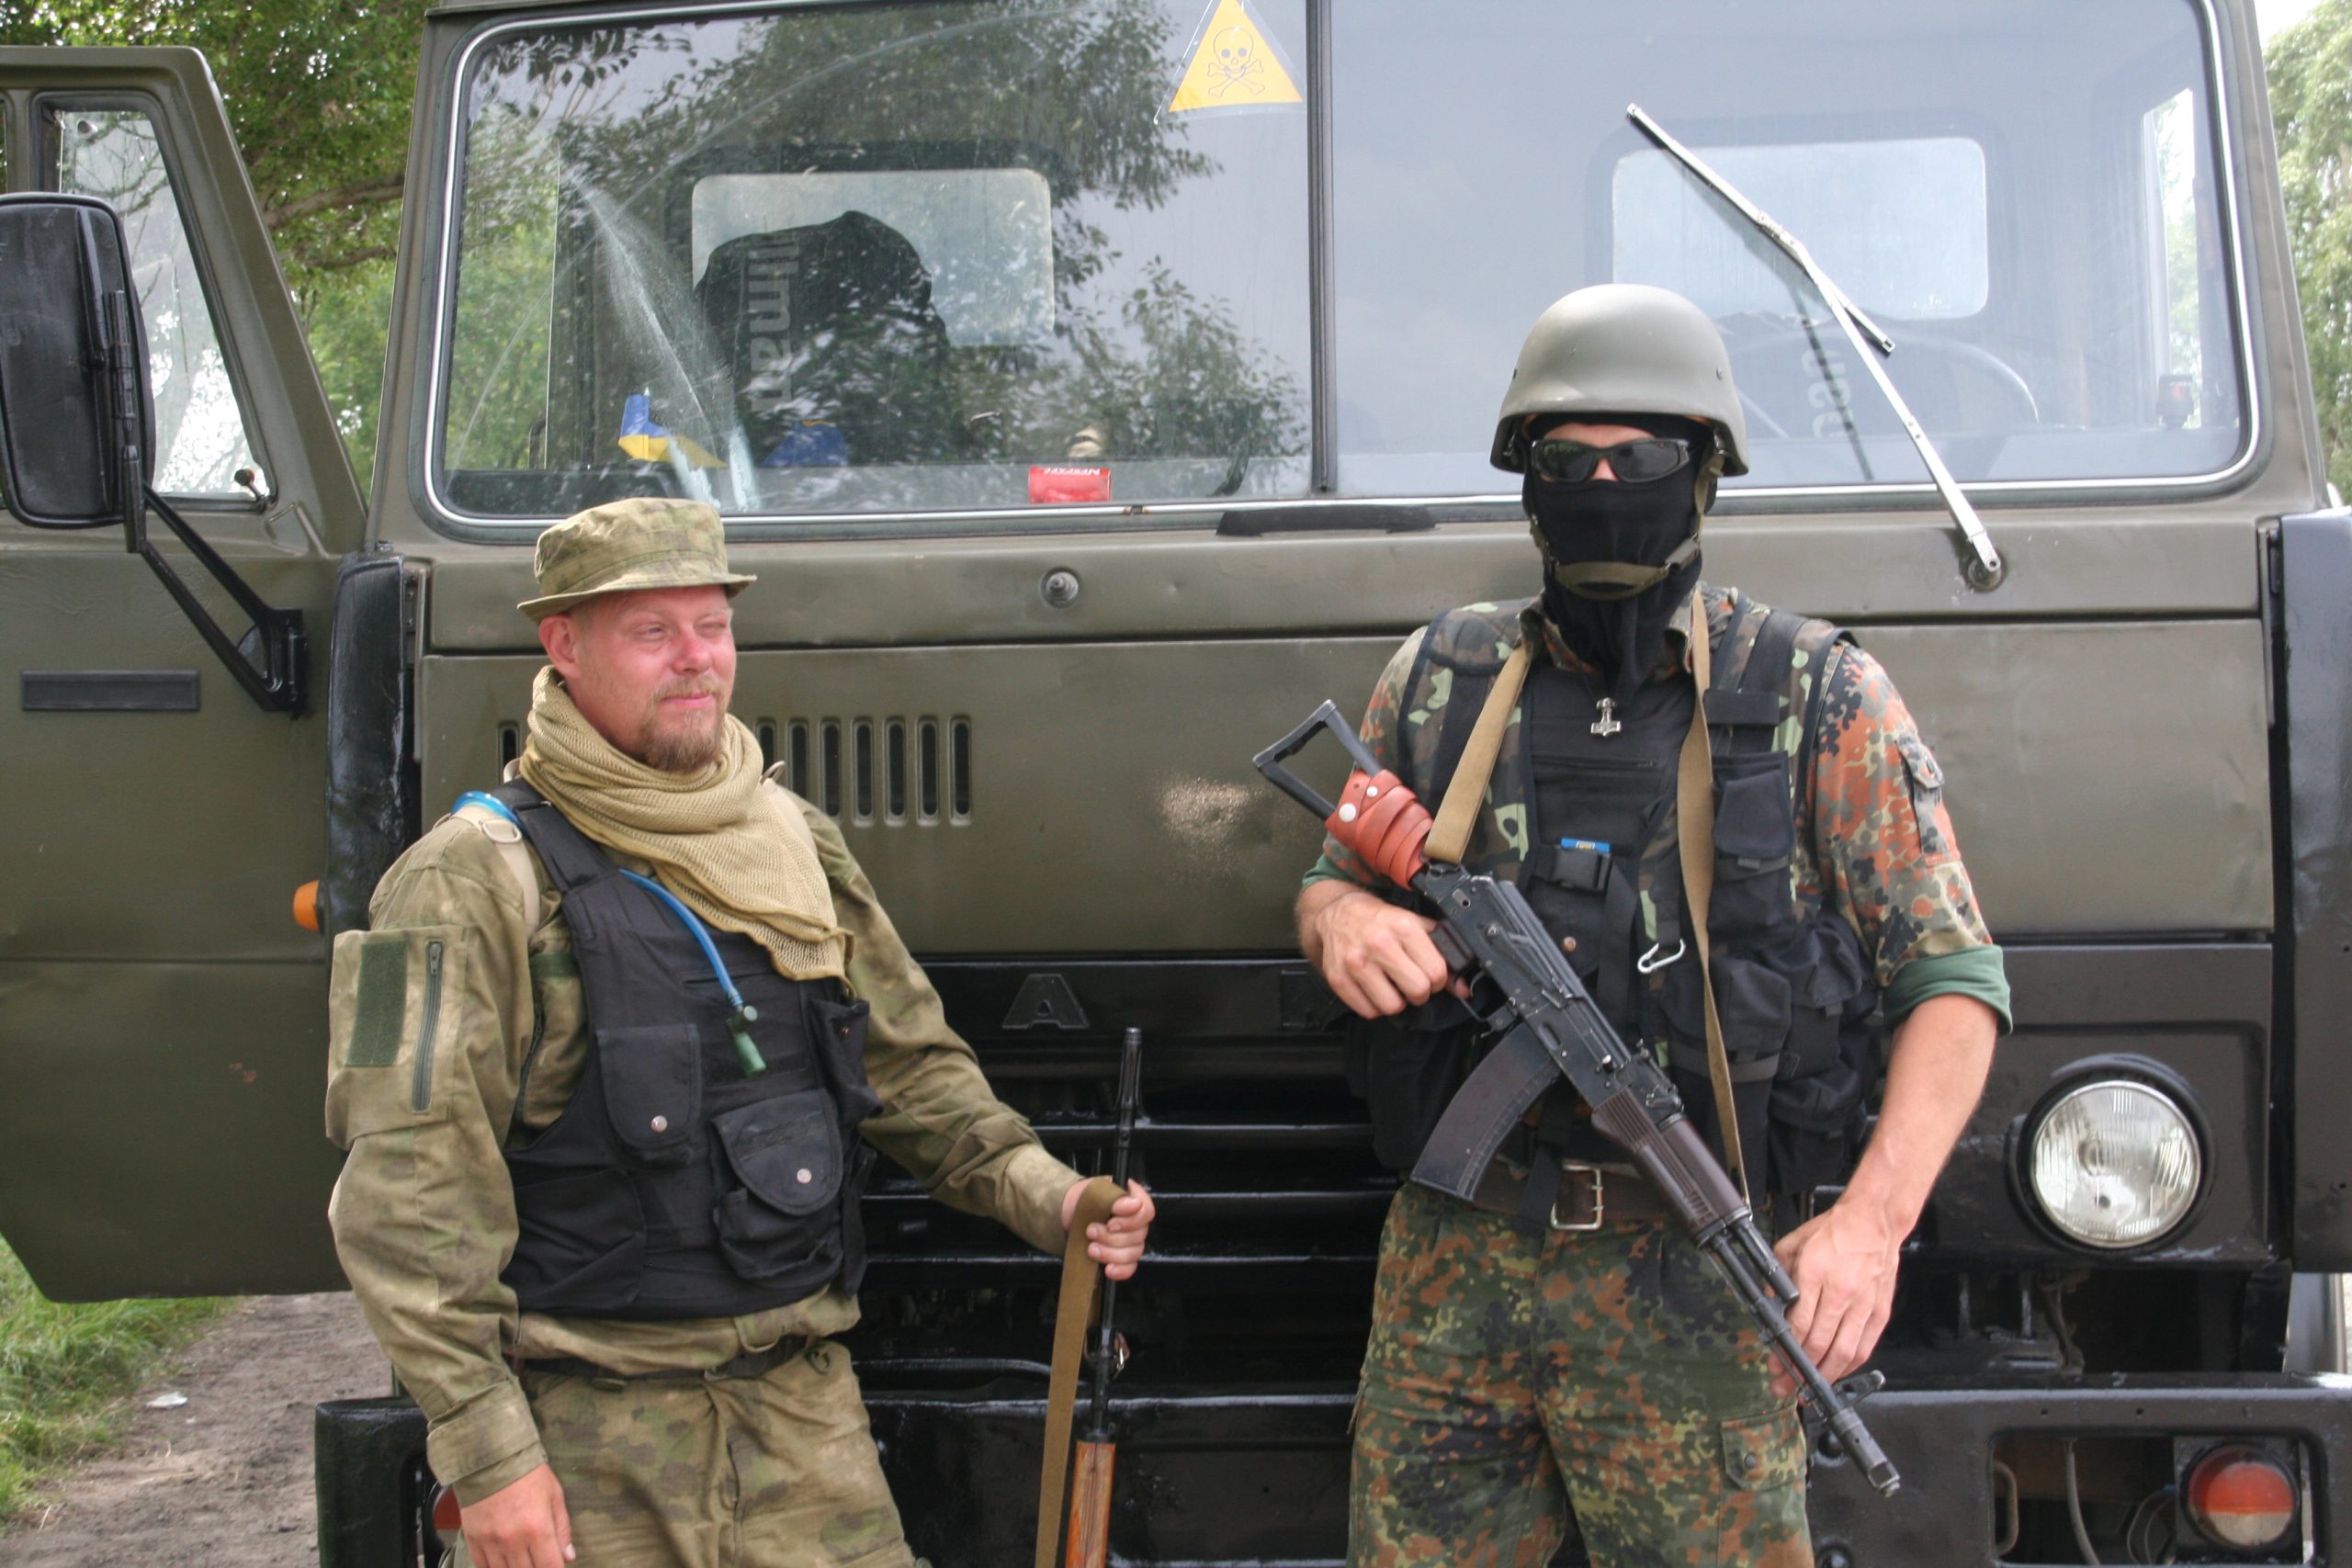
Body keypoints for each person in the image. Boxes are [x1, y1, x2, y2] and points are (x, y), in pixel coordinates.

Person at [1295, 284, 2006, 1567]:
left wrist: (1871, 1225)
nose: (1605, 486)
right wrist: (1338, 917)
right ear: (1527, 482)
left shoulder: (1814, 693)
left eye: (1642, 458)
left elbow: (1952, 980)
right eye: (1570, 462)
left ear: (1705, 474)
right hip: (1455, 1267)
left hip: (1701, 1273)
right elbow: (1333, 873)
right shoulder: (1443, 677)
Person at [324, 496, 1153, 1568]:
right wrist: (487, 1455)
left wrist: (1054, 1197)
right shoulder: (465, 879)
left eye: (712, 626)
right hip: (584, 1443)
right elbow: (407, 1191)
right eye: (652, 631)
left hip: (803, 1424)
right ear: (564, 646)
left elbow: (908, 1070)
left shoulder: (793, 841)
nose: (695, 659)